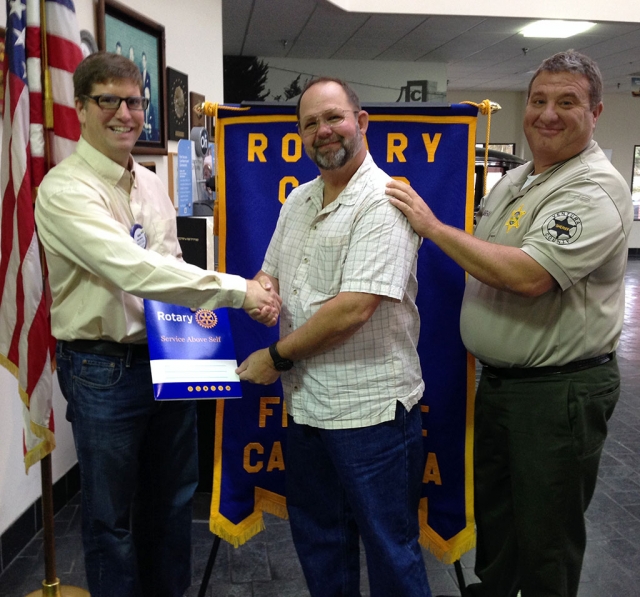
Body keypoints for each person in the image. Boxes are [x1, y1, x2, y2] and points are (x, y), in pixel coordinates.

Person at [386, 50, 633, 597]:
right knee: (498, 526)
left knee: (546, 539)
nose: (547, 113)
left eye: (566, 102)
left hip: (558, 393)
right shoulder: (518, 179)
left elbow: (528, 276)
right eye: (539, 100)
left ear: (595, 111)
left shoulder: (595, 188)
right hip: (502, 386)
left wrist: (431, 227)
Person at [34, 52, 281, 597]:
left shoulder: (149, 184)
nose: (126, 113)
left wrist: (219, 314)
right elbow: (136, 269)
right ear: (81, 107)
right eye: (109, 100)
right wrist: (241, 292)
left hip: (168, 359)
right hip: (102, 370)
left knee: (171, 505)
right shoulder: (64, 190)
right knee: (111, 521)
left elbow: (172, 271)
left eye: (135, 101)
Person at [236, 77, 435, 597]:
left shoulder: (385, 202)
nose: (323, 131)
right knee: (321, 542)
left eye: (333, 118)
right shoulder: (299, 200)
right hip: (307, 408)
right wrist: (260, 294)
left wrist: (274, 356)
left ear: (361, 123)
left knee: (391, 550)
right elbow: (271, 272)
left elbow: (352, 310)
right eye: (310, 124)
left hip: (370, 416)